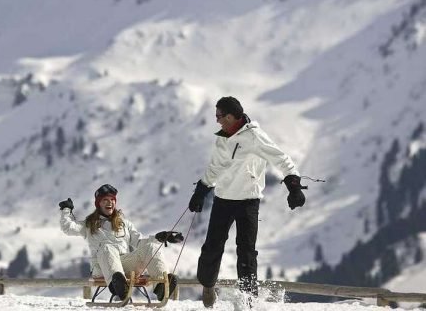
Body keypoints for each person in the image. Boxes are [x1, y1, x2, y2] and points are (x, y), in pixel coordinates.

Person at [188, 96, 306, 308]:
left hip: (248, 202)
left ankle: (248, 300)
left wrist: (294, 185)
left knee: (247, 252)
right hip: (223, 199)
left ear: (231, 116)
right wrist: (201, 189)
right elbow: (216, 167)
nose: (216, 120)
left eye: (219, 116)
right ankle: (208, 286)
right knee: (211, 248)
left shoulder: (254, 136)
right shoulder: (222, 138)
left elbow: (281, 158)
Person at [59, 184, 183, 301]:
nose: (110, 202)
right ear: (98, 204)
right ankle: (118, 287)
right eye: (105, 200)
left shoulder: (124, 224)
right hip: (101, 267)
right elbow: (68, 228)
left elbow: (140, 242)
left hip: (124, 265)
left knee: (151, 246)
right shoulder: (89, 224)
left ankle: (162, 286)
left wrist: (160, 238)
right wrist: (66, 209)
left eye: (112, 199)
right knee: (107, 247)